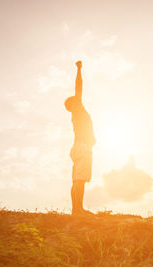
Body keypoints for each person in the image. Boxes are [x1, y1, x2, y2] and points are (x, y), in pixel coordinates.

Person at [65, 61, 96, 215]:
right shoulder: (78, 109)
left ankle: (76, 209)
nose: (78, 99)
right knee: (80, 179)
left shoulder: (75, 113)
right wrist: (79, 69)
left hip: (78, 146)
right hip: (83, 146)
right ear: (73, 104)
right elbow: (79, 87)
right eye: (75, 99)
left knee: (77, 179)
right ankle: (78, 209)